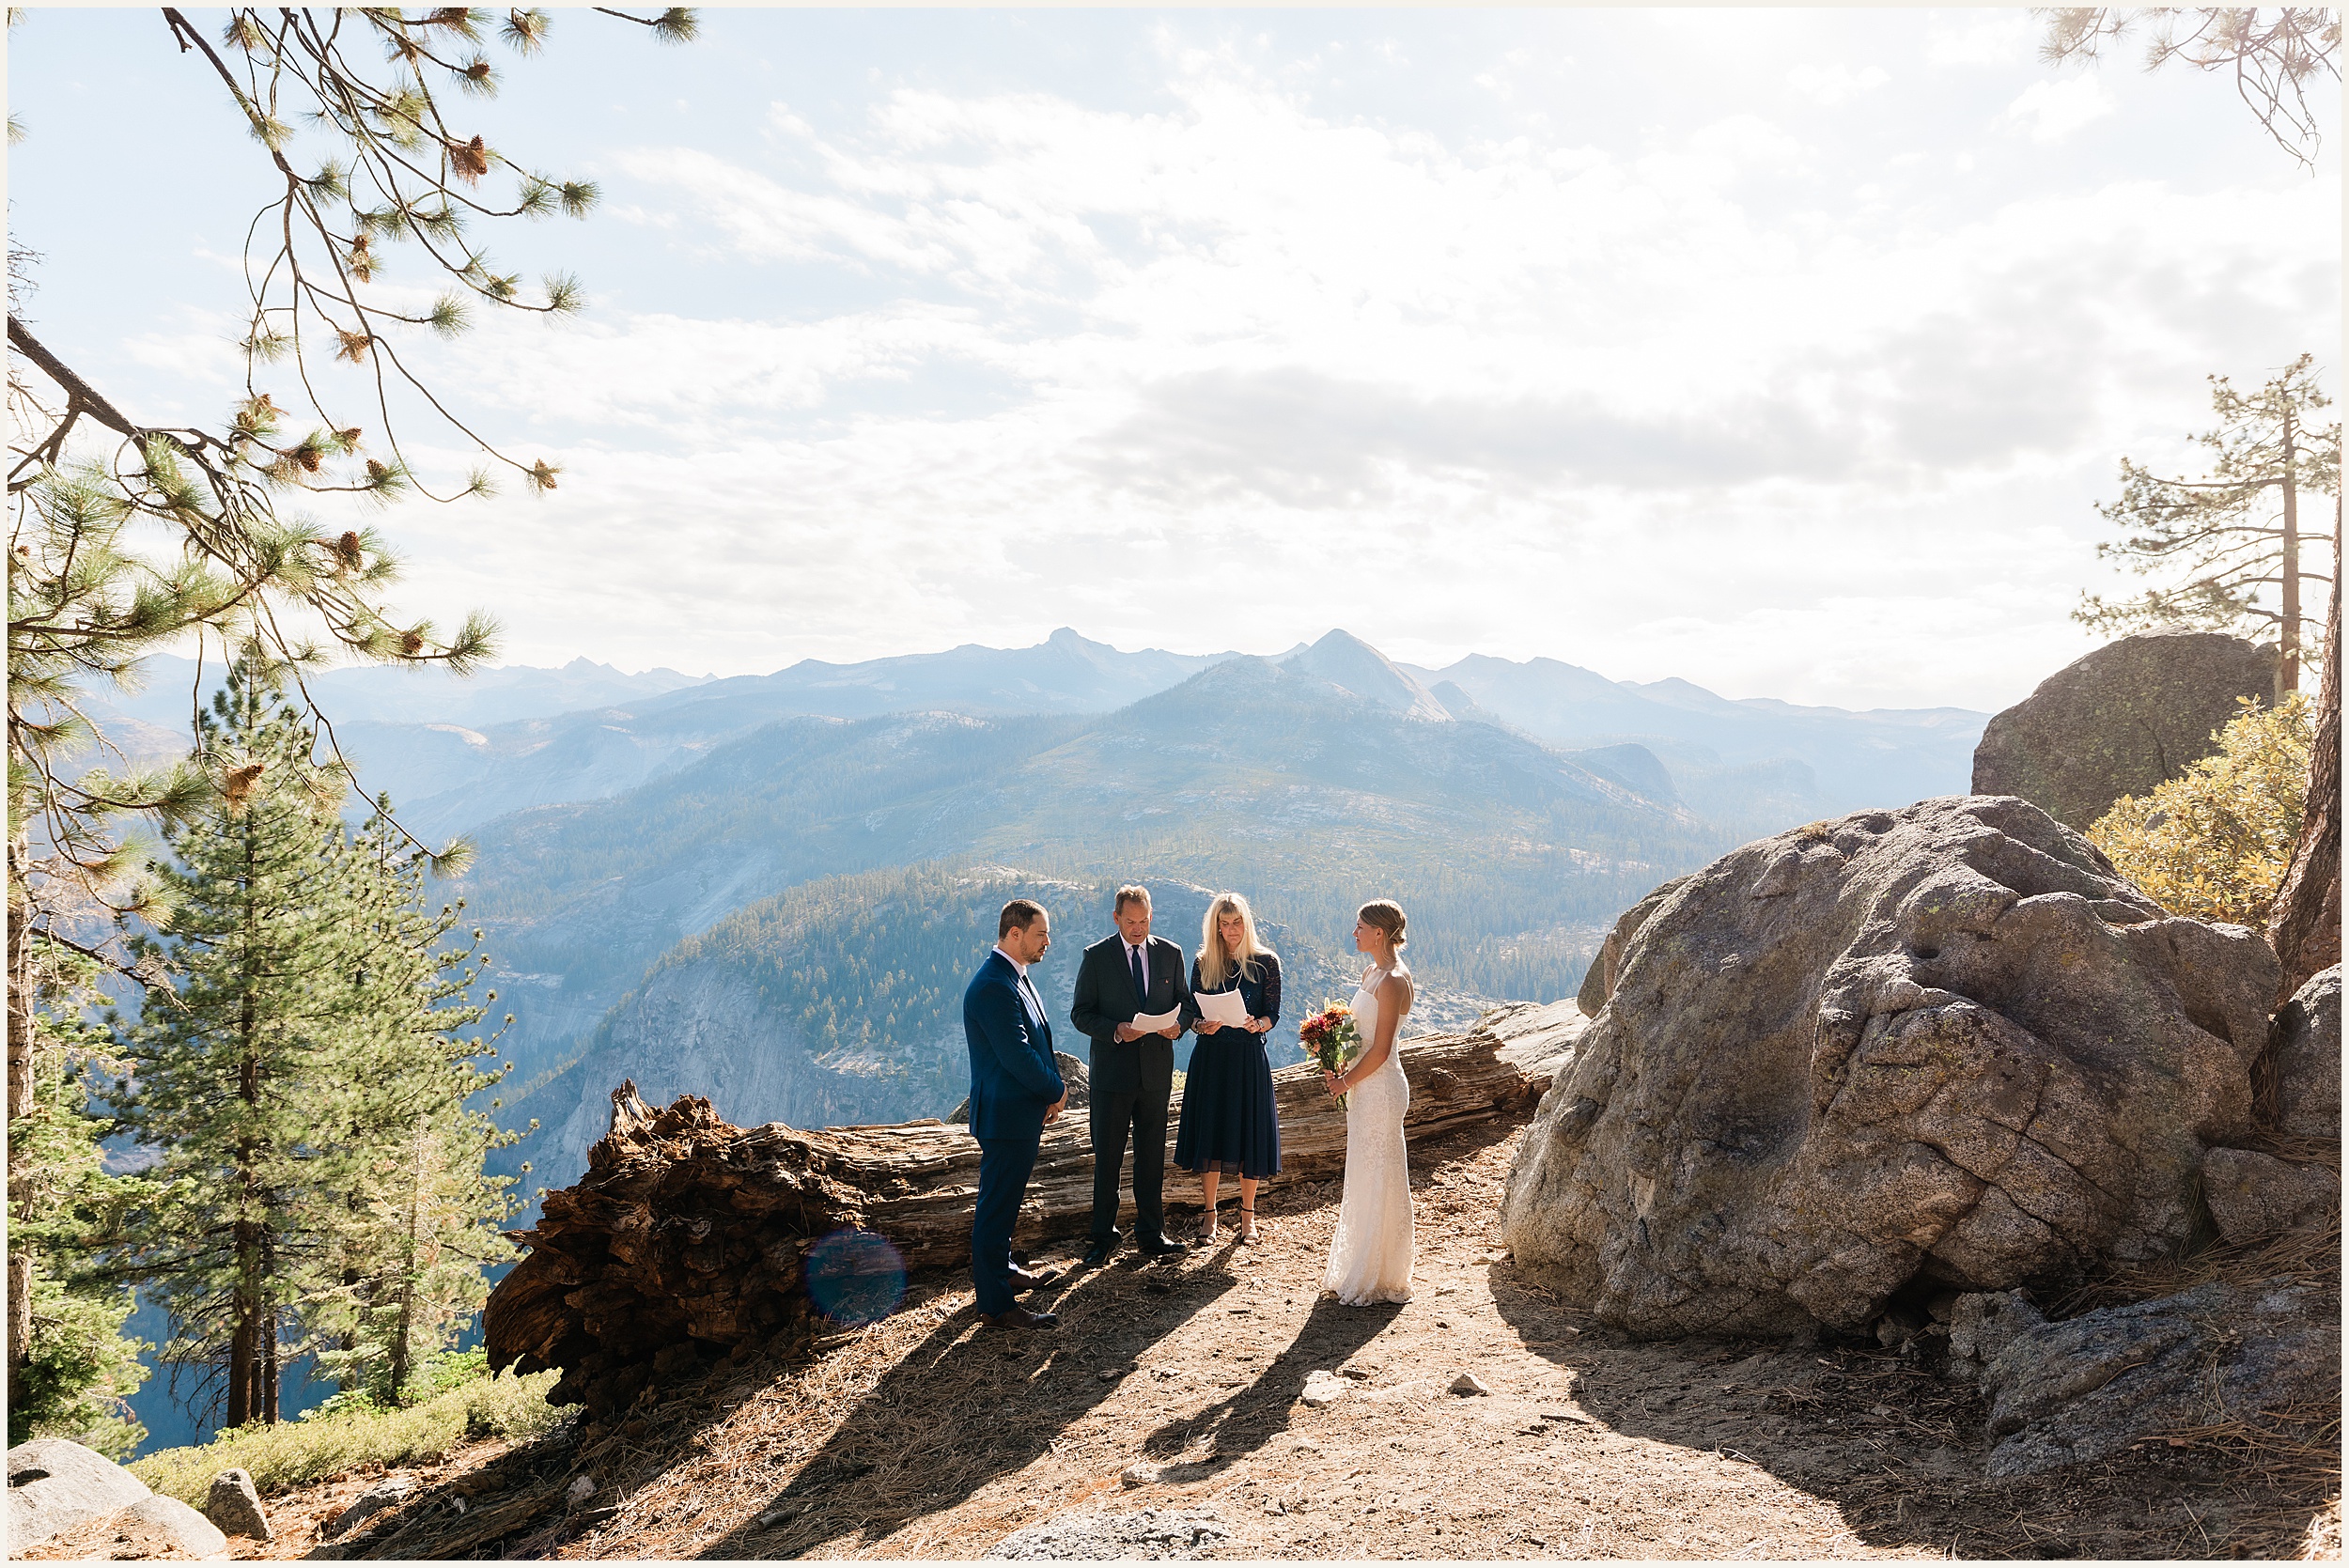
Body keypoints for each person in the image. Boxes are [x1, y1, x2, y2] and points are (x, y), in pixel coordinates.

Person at [1070, 884, 1194, 1267]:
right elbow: (1080, 1014)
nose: (1138, 928)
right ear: (1116, 918)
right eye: (1130, 922)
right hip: (1111, 1076)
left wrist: (1181, 1026)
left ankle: (1150, 1234)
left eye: (1143, 921)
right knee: (1107, 1159)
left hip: (1156, 1074)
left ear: (1151, 916)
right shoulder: (1096, 957)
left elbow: (1186, 1005)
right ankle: (1102, 1238)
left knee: (1152, 1157)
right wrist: (1116, 1030)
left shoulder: (1171, 953)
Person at [962, 898, 1069, 1330]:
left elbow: (1037, 1038)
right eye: (1041, 933)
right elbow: (1016, 1054)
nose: (1048, 941)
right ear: (1014, 933)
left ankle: (1004, 1271)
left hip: (1019, 1112)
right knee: (996, 1206)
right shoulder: (993, 984)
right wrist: (1055, 1088)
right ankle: (995, 1305)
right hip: (1005, 1115)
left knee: (1006, 1202)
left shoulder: (1013, 975)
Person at [1320, 898, 1415, 1305]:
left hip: (1382, 1088)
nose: (1354, 932)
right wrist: (1336, 1055)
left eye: (1359, 926)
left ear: (1379, 932)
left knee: (1381, 1175)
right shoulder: (1370, 972)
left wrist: (1343, 1082)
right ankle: (1361, 1263)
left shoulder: (1394, 980)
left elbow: (1381, 1049)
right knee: (1363, 1173)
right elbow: (1359, 1034)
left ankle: (1381, 1273)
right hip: (1364, 1086)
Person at [1174, 892, 1283, 1245]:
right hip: (1211, 1057)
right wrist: (1200, 1026)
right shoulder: (1204, 962)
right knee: (1212, 1133)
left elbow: (1272, 1013)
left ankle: (1248, 1217)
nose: (1231, 929)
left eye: (1237, 922)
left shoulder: (1267, 962)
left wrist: (1259, 1025)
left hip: (1248, 1057)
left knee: (1248, 1133)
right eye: (1225, 923)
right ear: (1216, 926)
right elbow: (1192, 1012)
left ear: (1246, 923)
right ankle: (1210, 1214)